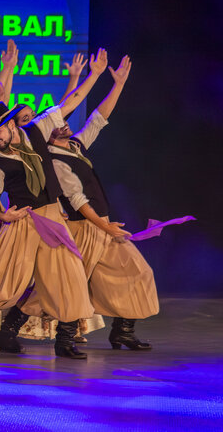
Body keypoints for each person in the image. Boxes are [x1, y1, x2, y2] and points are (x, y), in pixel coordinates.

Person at [0, 48, 110, 359]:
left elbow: (69, 102)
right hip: (24, 219)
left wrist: (95, 74)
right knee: (4, 278)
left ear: (10, 124)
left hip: (53, 216)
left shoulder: (36, 130)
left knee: (70, 273)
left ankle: (65, 341)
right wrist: (3, 216)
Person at [48, 55, 159, 350]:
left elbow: (98, 119)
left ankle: (123, 330)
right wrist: (104, 226)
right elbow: (77, 200)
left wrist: (118, 84)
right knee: (73, 282)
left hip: (102, 225)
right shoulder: (54, 159)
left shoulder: (74, 145)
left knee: (137, 270)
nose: (64, 123)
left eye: (64, 120)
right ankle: (60, 338)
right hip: (83, 227)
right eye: (57, 122)